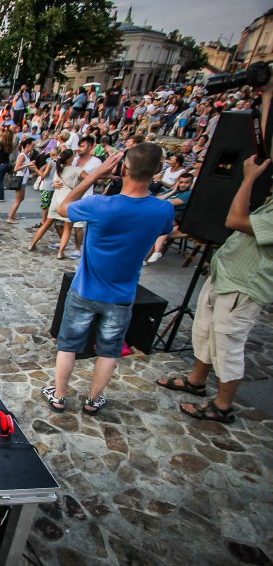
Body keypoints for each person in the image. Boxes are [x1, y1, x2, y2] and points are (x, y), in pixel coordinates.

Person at [42, 145, 174, 414]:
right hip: (122, 294)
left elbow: (65, 206)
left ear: (123, 168)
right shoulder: (163, 210)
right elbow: (161, 234)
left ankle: (59, 395)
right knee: (109, 350)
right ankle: (93, 400)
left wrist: (94, 175)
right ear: (158, 171)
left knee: (68, 346)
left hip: (85, 289)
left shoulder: (100, 205)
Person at [156, 156, 272, 424]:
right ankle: (197, 380)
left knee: (227, 344)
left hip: (244, 285)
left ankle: (223, 405)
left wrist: (250, 178)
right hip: (225, 274)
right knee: (204, 330)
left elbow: (235, 220)